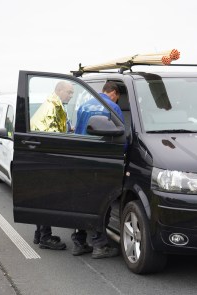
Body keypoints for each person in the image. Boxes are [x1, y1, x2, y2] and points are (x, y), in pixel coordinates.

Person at [71, 81, 124, 258]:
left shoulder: (84, 106)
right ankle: (99, 245)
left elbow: (77, 134)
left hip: (83, 161)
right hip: (102, 162)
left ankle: (79, 242)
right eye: (118, 97)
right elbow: (120, 137)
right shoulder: (113, 107)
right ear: (114, 93)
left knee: (82, 202)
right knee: (102, 203)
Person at [29, 80, 74, 250]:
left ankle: (39, 233)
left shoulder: (54, 104)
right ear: (60, 90)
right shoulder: (51, 108)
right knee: (47, 199)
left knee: (42, 197)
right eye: (69, 92)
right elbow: (53, 138)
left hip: (41, 160)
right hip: (46, 160)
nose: (71, 95)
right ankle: (45, 238)